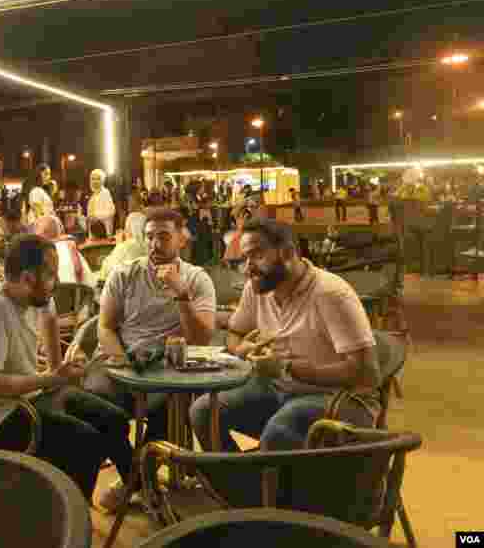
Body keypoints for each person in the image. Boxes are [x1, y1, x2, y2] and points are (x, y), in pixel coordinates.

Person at [0, 235, 134, 502]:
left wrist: (60, 366)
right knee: (87, 443)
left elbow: (49, 319)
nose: (57, 282)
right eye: (52, 274)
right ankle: (67, 518)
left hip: (28, 398)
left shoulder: (36, 297)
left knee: (115, 419)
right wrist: (50, 378)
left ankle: (138, 489)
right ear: (28, 278)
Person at [192, 219, 380, 452]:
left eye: (257, 256)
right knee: (203, 412)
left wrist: (286, 368)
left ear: (288, 253)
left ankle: (261, 484)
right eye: (244, 259)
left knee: (279, 430)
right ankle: (242, 486)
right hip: (279, 389)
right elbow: (235, 333)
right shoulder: (256, 286)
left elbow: (365, 372)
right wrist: (241, 350)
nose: (248, 268)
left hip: (341, 399)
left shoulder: (330, 294)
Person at [87, 207, 216, 510]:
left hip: (165, 368)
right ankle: (140, 481)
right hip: (119, 361)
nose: (155, 244)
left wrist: (180, 294)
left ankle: (130, 481)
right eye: (149, 237)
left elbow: (202, 339)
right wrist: (121, 360)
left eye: (163, 237)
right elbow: (104, 326)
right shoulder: (124, 273)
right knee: (96, 404)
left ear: (181, 239)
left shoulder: (197, 279)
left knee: (174, 405)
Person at [33, 215, 97, 287]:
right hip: (81, 290)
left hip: (71, 291)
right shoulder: (68, 244)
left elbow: (78, 270)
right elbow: (78, 269)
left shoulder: (49, 250)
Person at [100, 212, 149, 279]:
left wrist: (119, 245)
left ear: (130, 229)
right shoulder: (149, 244)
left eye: (126, 228)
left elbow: (108, 269)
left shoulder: (126, 246)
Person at [87, 169, 117, 238]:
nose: (95, 181)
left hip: (104, 233)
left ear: (102, 180)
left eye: (98, 179)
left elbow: (111, 211)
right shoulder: (93, 196)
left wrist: (96, 216)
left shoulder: (105, 193)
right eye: (93, 179)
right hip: (94, 233)